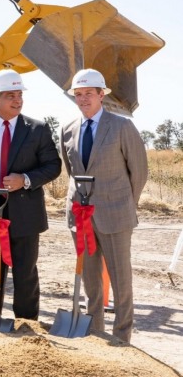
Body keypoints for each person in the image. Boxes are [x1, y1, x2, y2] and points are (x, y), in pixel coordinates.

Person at [0, 69, 61, 320]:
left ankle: (27, 327)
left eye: (19, 95)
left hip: (25, 217)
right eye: (11, 96)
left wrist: (25, 180)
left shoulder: (37, 129)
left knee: (25, 275)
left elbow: (53, 166)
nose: (17, 100)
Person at [60, 69, 147, 342]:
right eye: (78, 94)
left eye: (89, 93)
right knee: (90, 281)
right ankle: (95, 333)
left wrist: (124, 203)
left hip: (115, 215)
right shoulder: (67, 129)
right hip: (81, 216)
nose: (83, 98)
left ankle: (121, 337)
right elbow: (73, 171)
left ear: (101, 95)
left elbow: (139, 171)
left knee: (121, 281)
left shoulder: (121, 126)